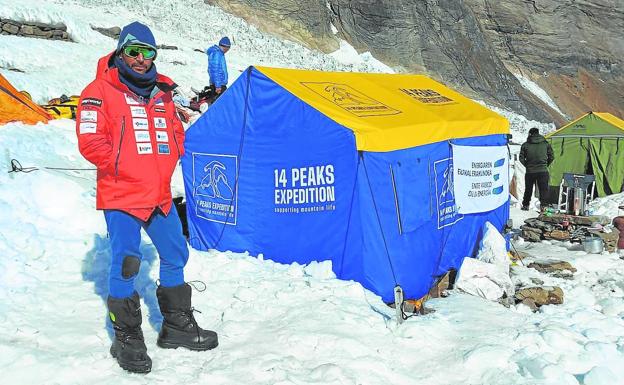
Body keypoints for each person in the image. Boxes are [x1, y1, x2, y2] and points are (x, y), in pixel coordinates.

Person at [76, 21, 218, 374]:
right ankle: (126, 337)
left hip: (159, 195)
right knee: (126, 262)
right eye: (134, 51)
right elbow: (91, 142)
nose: (141, 59)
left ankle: (176, 327)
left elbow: (174, 130)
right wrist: (125, 166)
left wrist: (173, 155)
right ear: (122, 51)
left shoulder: (162, 92)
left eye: (148, 52)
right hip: (122, 193)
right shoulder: (99, 90)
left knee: (175, 253)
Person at [519, 127, 554, 211]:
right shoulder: (546, 143)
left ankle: (525, 205)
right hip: (543, 171)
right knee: (544, 189)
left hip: (530, 171)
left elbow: (521, 158)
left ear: (530, 134)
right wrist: (545, 165)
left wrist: (527, 165)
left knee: (528, 189)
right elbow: (552, 156)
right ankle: (544, 207)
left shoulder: (525, 145)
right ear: (538, 133)